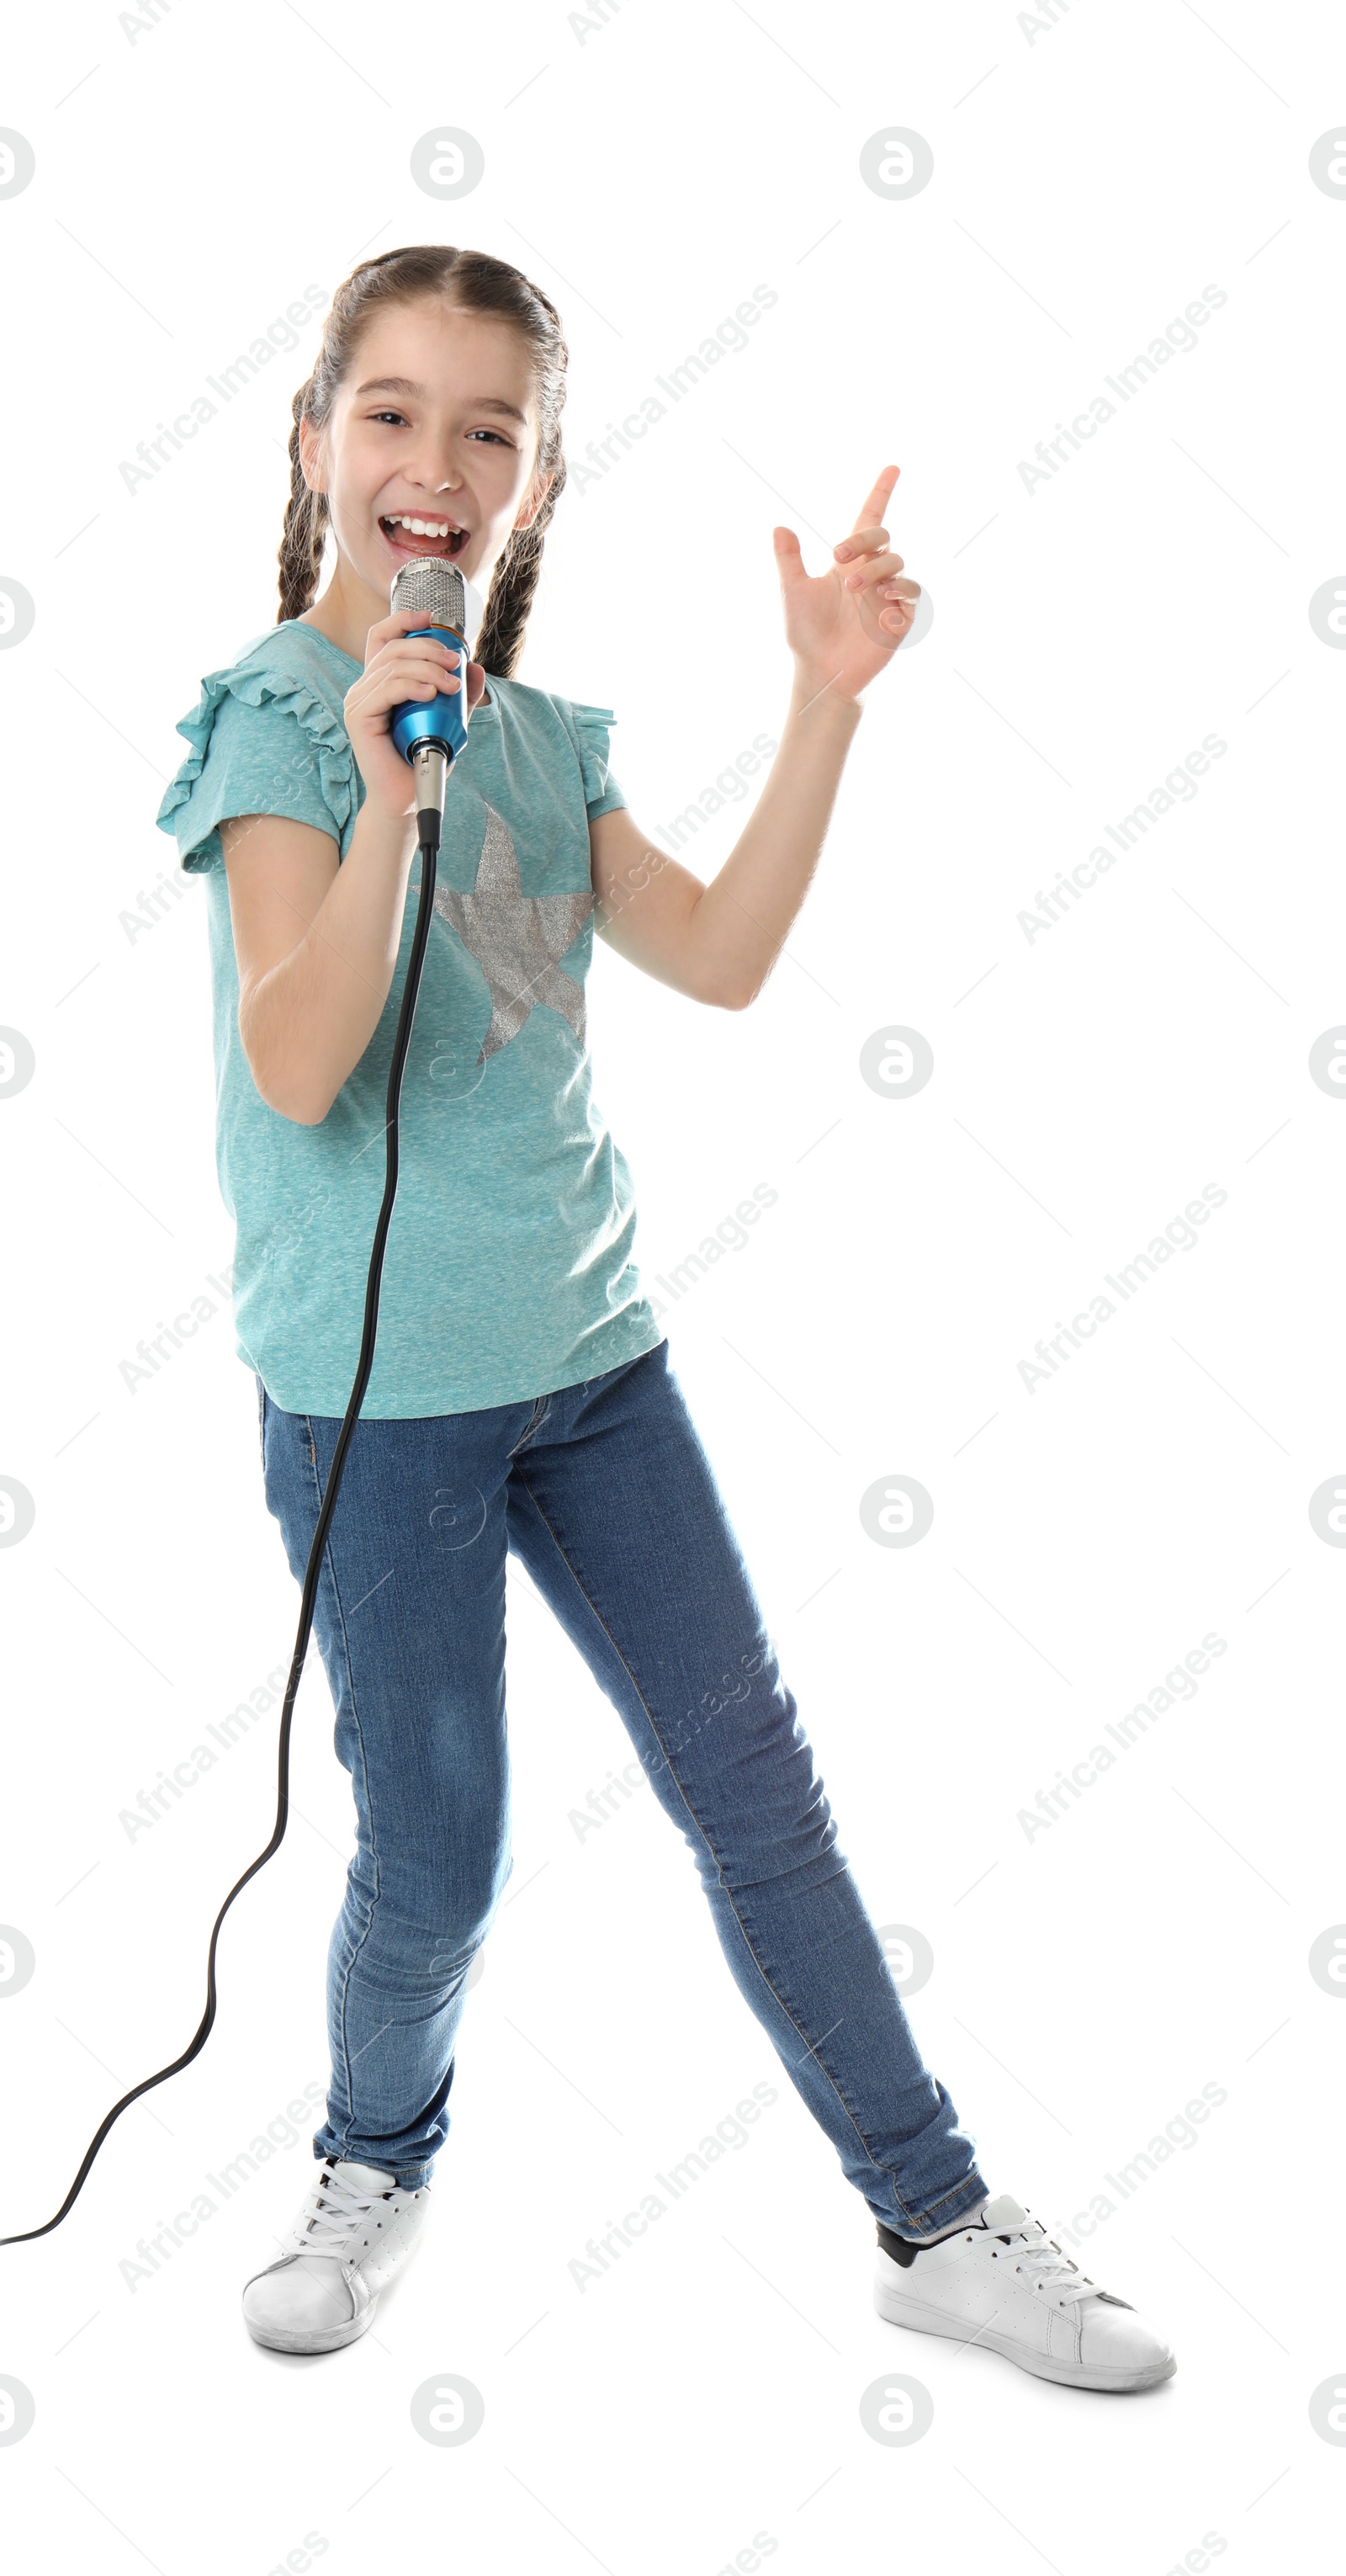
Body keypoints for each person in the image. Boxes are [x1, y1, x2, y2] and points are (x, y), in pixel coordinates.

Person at [156, 243, 1174, 2393]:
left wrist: (821, 702)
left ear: (534, 481)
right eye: (397, 410)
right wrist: (383, 787)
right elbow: (300, 1059)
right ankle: (372, 2160)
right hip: (379, 1402)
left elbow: (712, 954)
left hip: (593, 1364)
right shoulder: (275, 727)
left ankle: (932, 2214)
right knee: (436, 1846)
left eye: (491, 429)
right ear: (317, 433)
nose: (438, 461)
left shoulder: (537, 742)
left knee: (757, 1791)